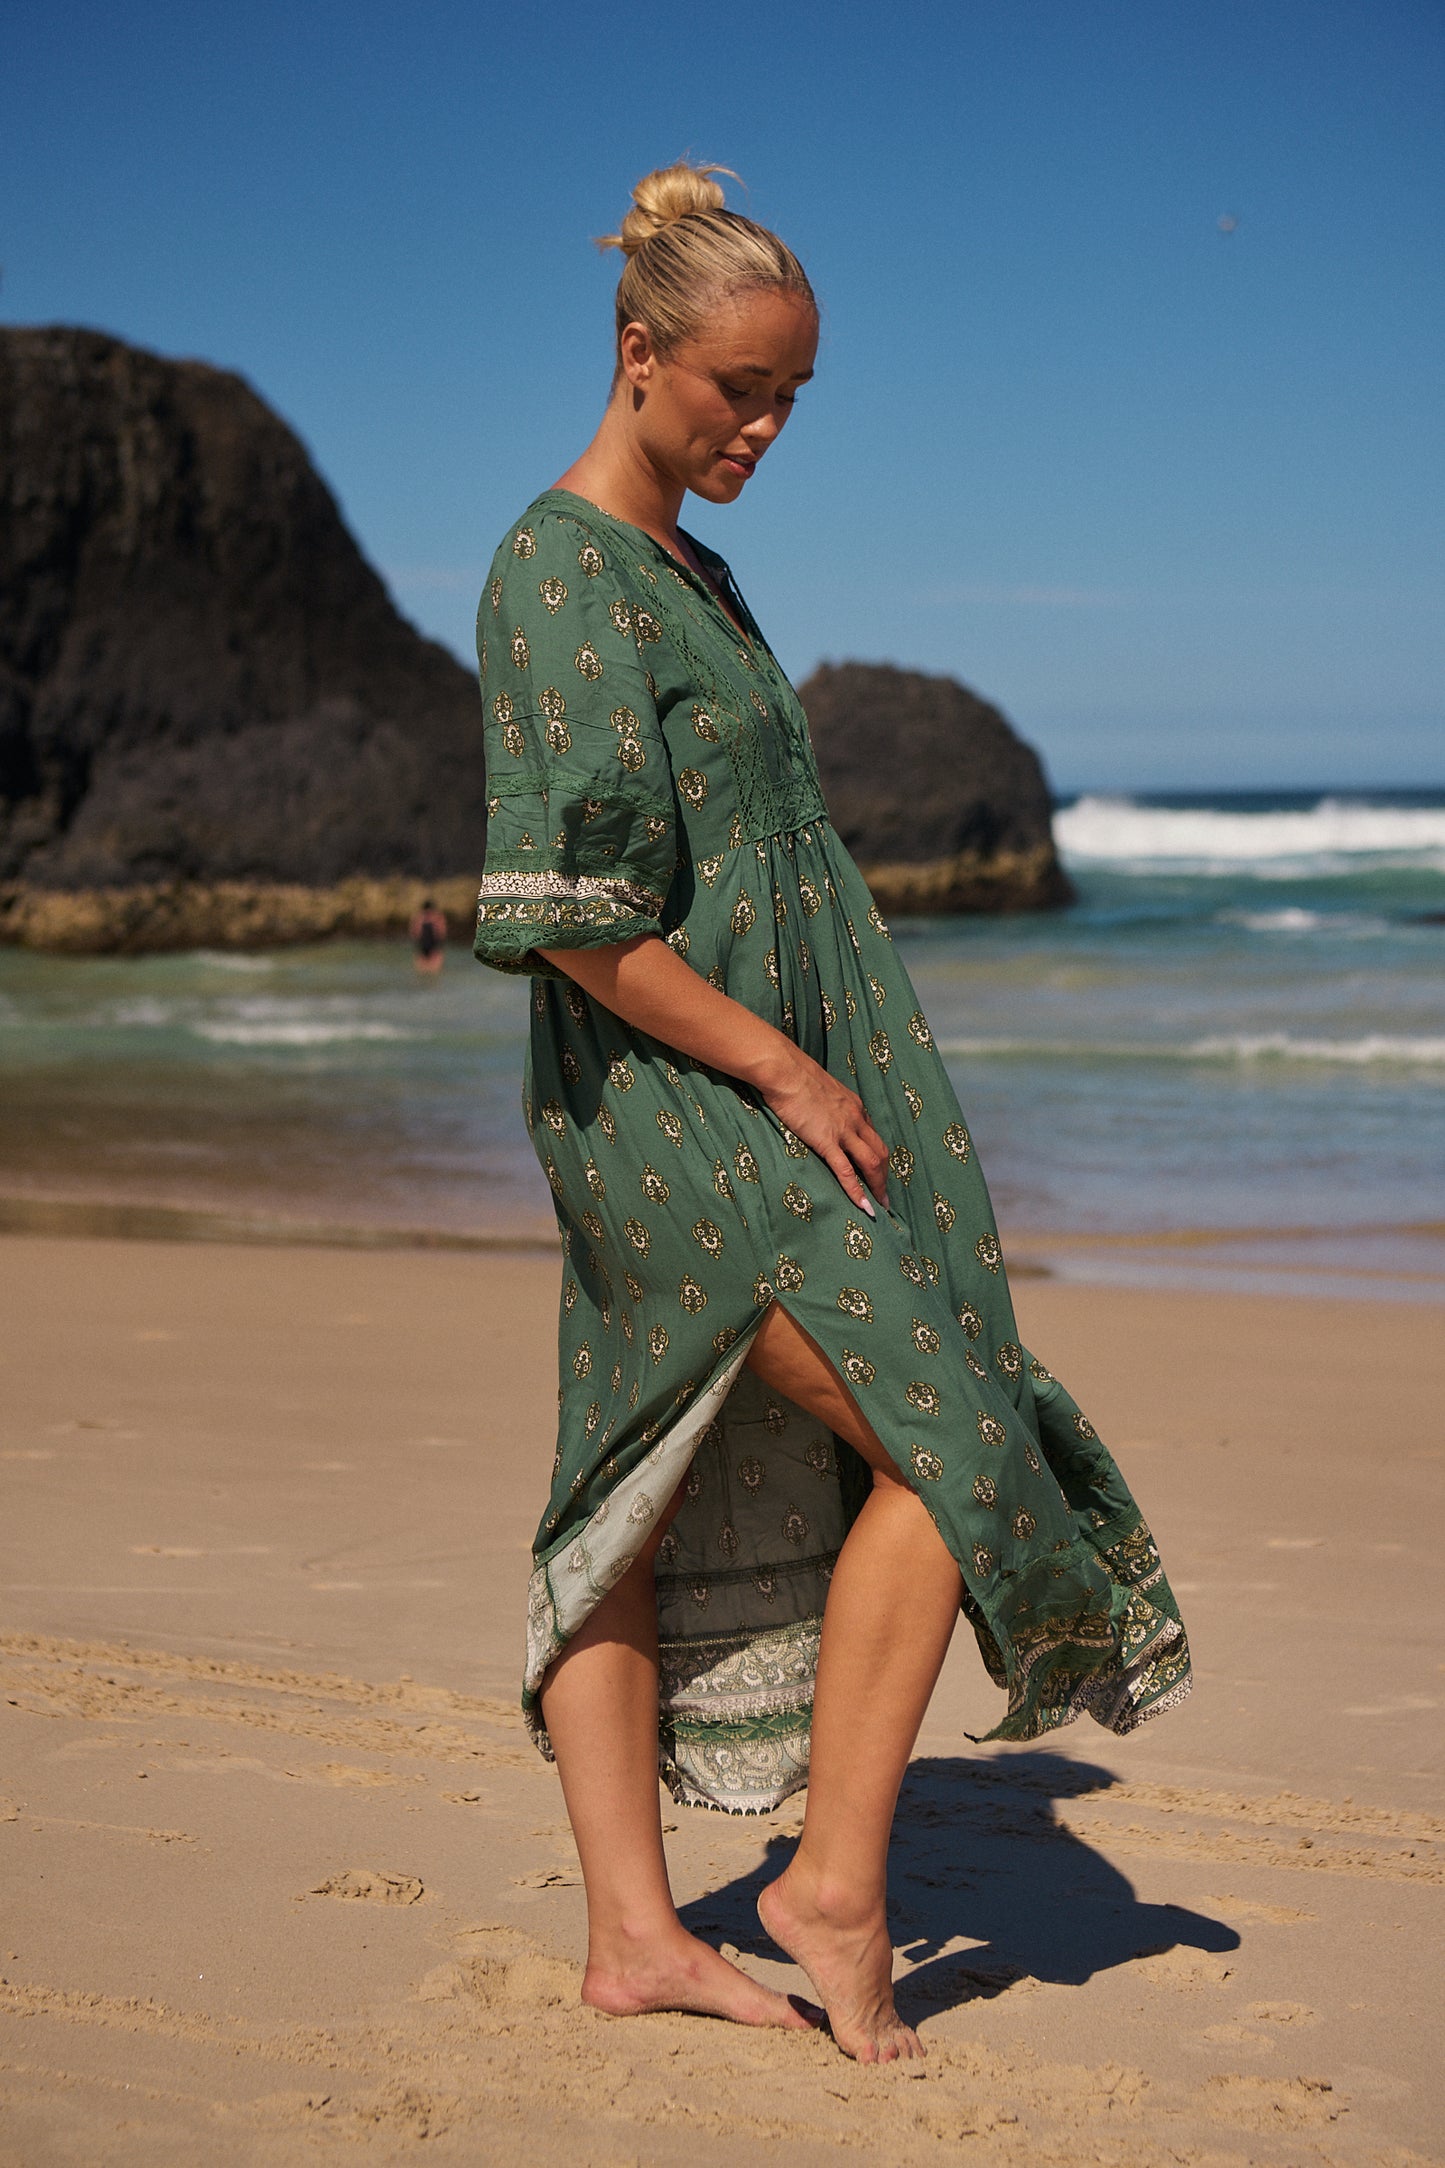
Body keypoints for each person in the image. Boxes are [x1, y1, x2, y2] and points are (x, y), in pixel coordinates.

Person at [472, 161, 1191, 2063]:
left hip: (736, 1089)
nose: (765, 430)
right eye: (739, 390)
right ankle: (833, 1888)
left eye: (791, 398)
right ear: (638, 353)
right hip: (671, 1100)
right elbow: (577, 920)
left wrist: (827, 1059)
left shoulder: (692, 574)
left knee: (639, 1481)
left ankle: (636, 1938)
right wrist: (788, 1068)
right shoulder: (556, 570)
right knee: (953, 1440)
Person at [409, 895, 448, 975]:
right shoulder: (437, 917)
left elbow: (414, 933)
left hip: (424, 945)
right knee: (434, 973)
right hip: (432, 945)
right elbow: (442, 932)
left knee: (421, 972)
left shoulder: (419, 917)